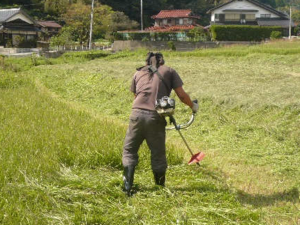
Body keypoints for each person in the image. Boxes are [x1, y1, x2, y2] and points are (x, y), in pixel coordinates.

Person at [122, 52, 198, 196]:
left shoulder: (138, 73)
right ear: (162, 61)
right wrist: (193, 106)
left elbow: (136, 95)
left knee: (129, 151)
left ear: (147, 62)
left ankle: (127, 187)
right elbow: (181, 95)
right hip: (155, 117)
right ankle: (159, 187)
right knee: (158, 154)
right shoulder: (169, 71)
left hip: (136, 115)